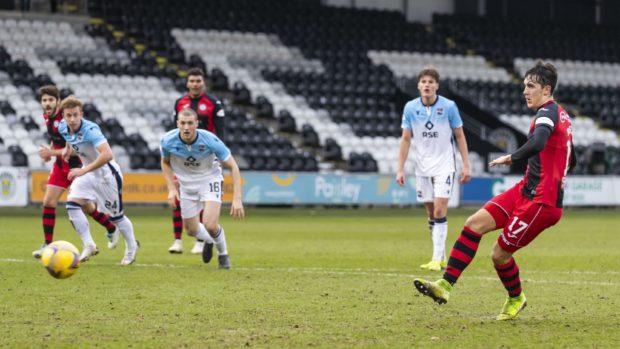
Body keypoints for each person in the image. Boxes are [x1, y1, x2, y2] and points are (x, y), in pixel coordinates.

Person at [413, 61, 575, 321]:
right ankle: (444, 287)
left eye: (530, 86)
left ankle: (516, 298)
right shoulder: (562, 116)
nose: (525, 91)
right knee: (473, 224)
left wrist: (512, 157)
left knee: (499, 255)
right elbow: (571, 157)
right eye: (524, 86)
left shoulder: (546, 114)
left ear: (546, 90)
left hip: (541, 203)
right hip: (526, 190)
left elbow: (539, 141)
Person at [396, 67, 471, 271]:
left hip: (444, 165)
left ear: (437, 85)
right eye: (424, 81)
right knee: (431, 213)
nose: (427, 85)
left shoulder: (449, 107)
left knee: (439, 210)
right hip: (421, 167)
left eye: (431, 81)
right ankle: (441, 255)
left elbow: (460, 135)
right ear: (419, 85)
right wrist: (400, 169)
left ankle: (437, 258)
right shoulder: (410, 108)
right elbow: (405, 139)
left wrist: (466, 164)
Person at [32, 85, 119, 259]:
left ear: (58, 102)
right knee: (48, 202)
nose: (47, 103)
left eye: (51, 100)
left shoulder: (65, 119)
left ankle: (111, 228)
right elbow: (61, 141)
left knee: (87, 208)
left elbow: (74, 148)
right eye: (44, 100)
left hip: (76, 166)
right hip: (60, 166)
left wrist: (52, 152)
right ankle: (47, 245)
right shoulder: (47, 117)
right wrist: (52, 150)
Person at [58, 95, 139, 265]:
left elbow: (108, 154)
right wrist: (67, 150)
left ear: (81, 114)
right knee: (72, 205)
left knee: (116, 217)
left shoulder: (91, 129)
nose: (72, 119)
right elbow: (70, 140)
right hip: (88, 174)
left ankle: (131, 247)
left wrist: (83, 170)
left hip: (107, 176)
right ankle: (89, 245)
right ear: (63, 116)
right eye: (68, 115)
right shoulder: (63, 127)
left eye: (75, 115)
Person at [160, 108, 243, 269]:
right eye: (182, 123)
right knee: (191, 230)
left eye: (190, 123)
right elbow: (165, 162)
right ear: (177, 123)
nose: (186, 127)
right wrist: (171, 188)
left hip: (209, 181)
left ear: (196, 124)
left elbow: (233, 166)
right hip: (186, 186)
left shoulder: (210, 140)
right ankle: (210, 239)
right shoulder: (167, 140)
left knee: (210, 225)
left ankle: (223, 254)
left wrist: (237, 198)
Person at [168, 67, 226, 254]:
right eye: (192, 81)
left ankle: (201, 241)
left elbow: (221, 133)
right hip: (183, 157)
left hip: (206, 159)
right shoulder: (180, 103)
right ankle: (177, 240)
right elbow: (174, 131)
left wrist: (220, 158)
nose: (195, 84)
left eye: (198, 81)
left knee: (203, 198)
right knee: (179, 196)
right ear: (187, 83)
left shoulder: (213, 103)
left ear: (203, 83)